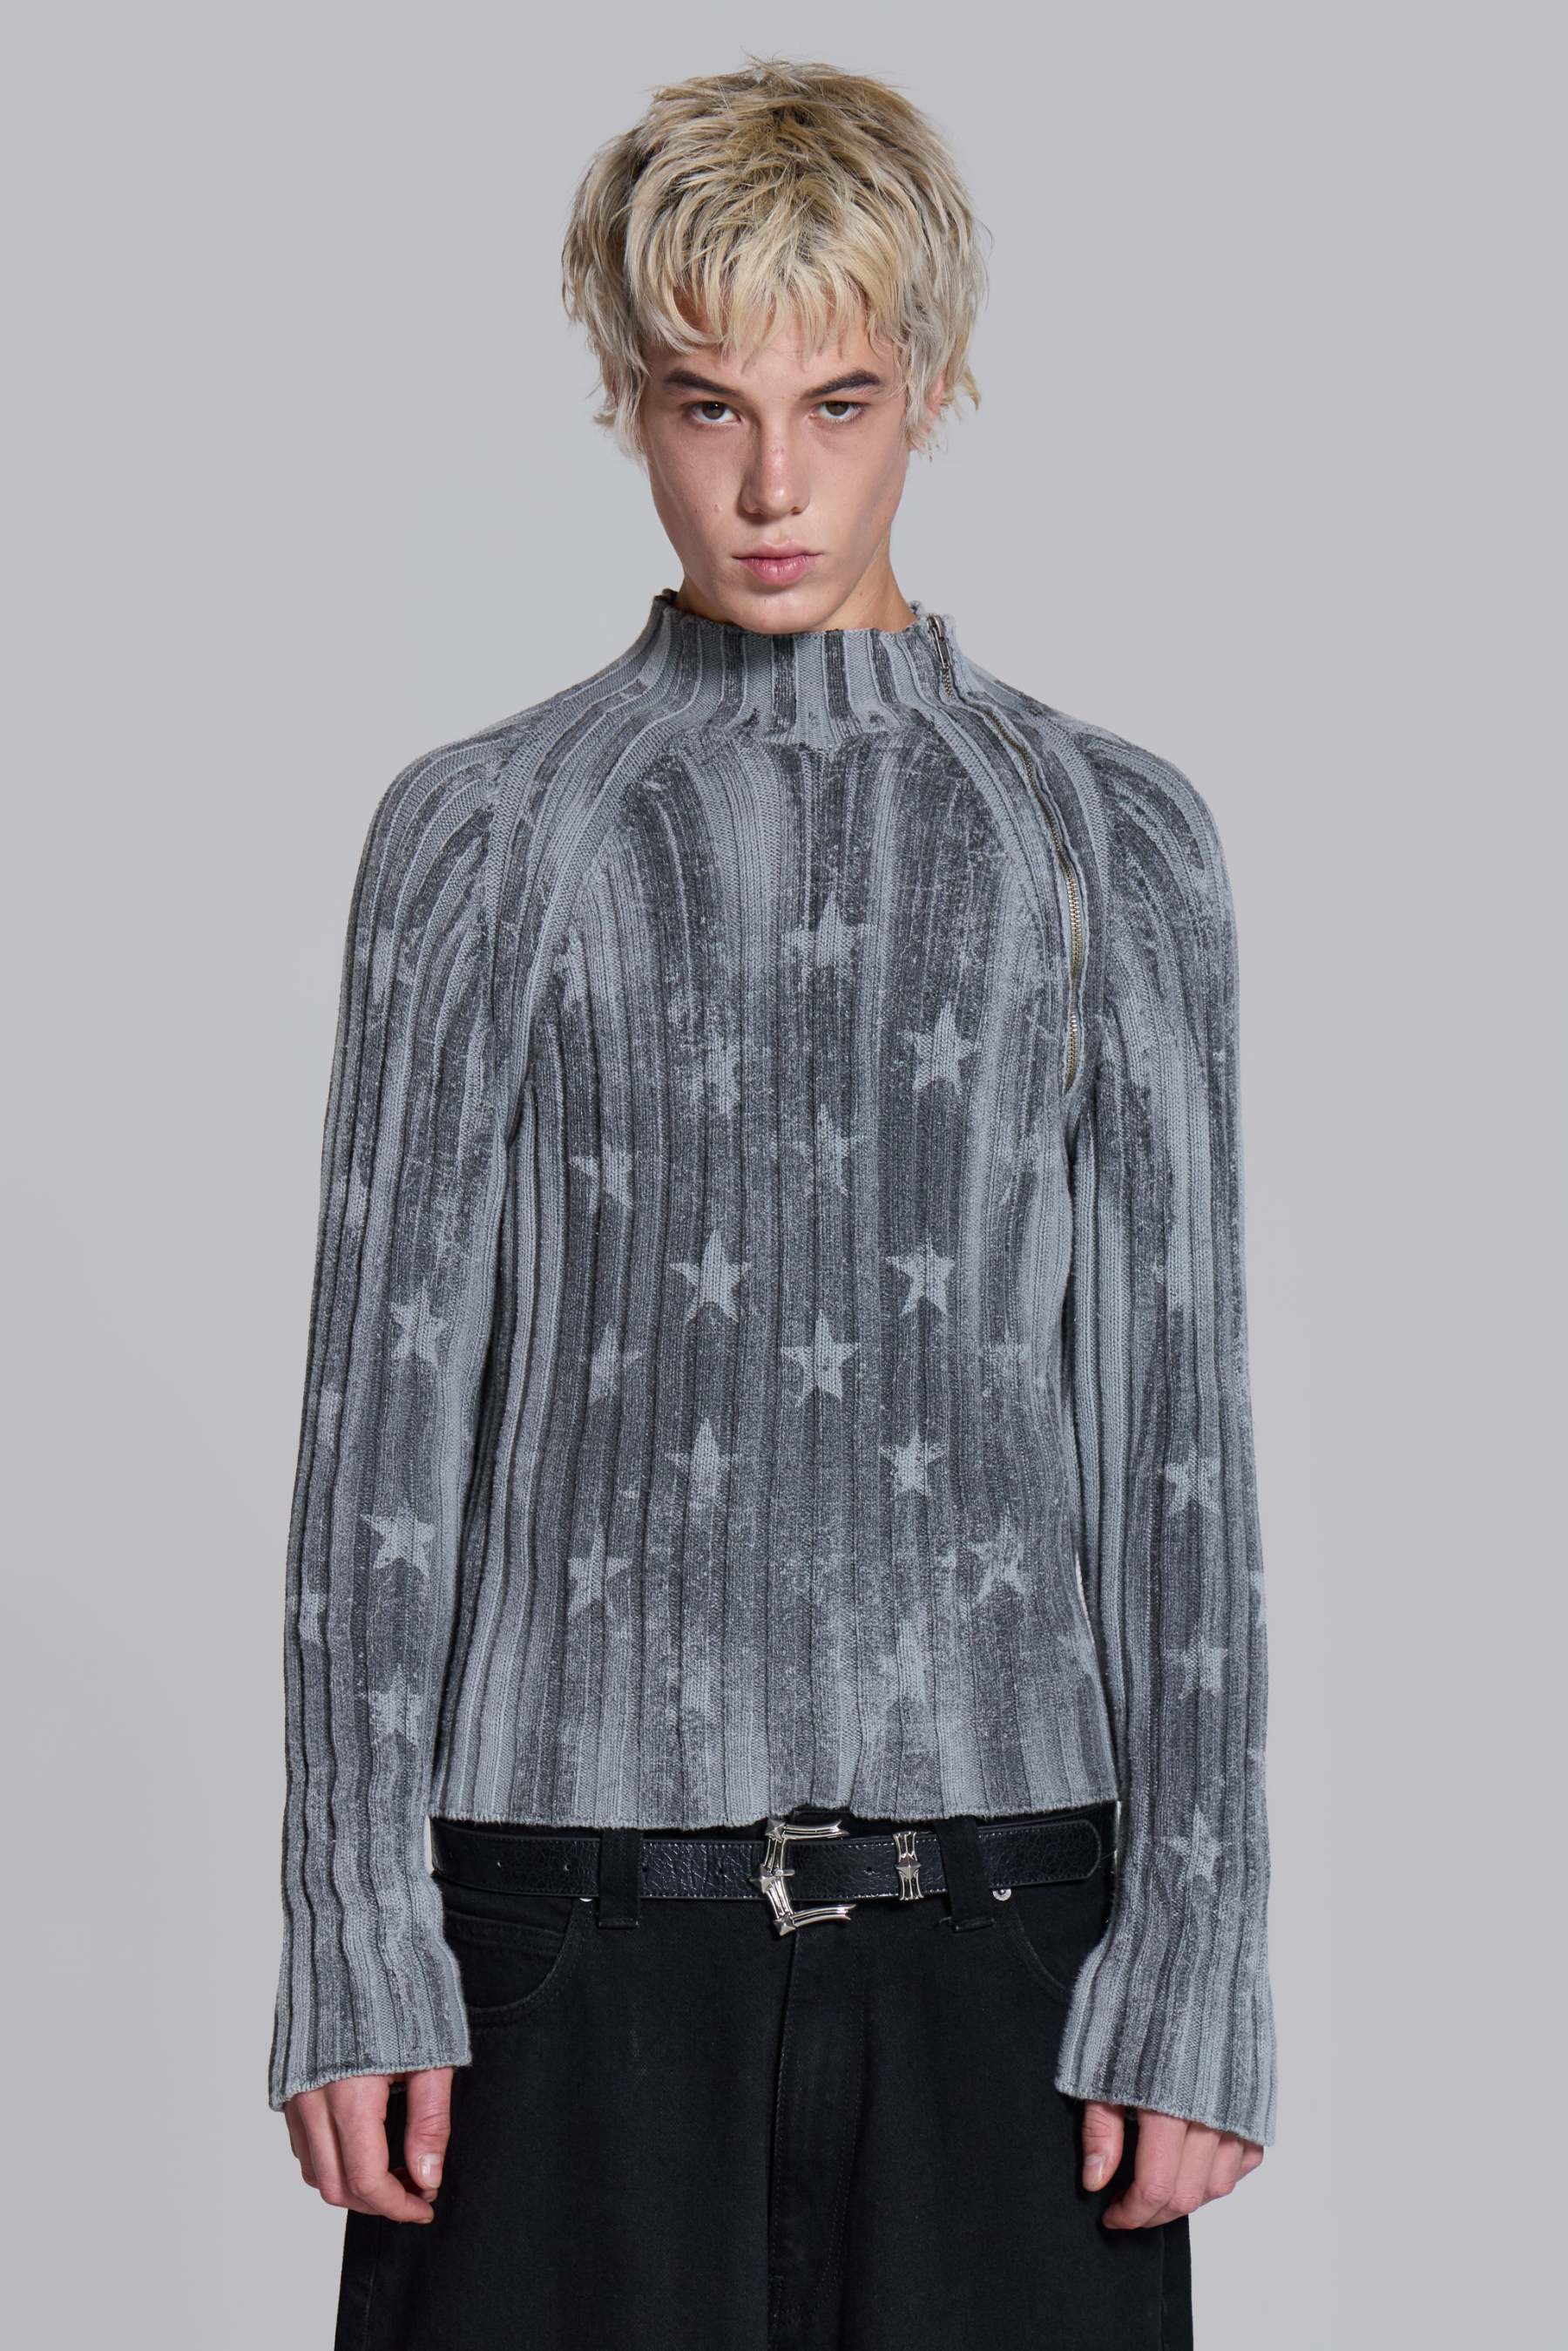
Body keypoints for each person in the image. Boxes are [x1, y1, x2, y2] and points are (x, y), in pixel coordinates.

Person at [269, 53, 1275, 2349]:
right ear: (628, 398)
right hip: (557, 1935)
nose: (774, 483)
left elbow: (1175, 1430)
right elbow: (378, 1428)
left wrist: (1203, 1945)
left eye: (839, 402)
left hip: (1011, 1945)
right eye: (706, 404)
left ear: (936, 383)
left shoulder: (1111, 839)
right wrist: (350, 1925)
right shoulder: (484, 833)